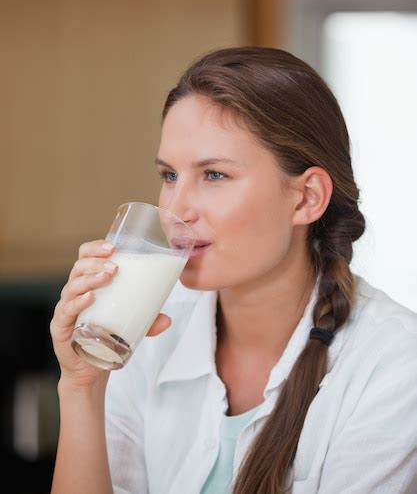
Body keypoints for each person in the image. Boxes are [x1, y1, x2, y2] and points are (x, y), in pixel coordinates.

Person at [50, 46, 417, 494]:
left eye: (215, 175)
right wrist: (82, 387)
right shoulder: (142, 331)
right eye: (169, 176)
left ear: (306, 198)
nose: (174, 210)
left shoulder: (395, 364)